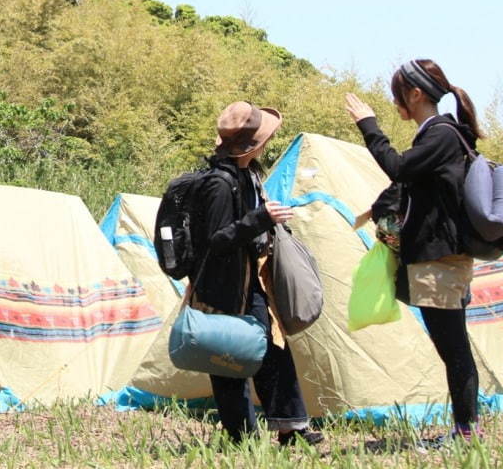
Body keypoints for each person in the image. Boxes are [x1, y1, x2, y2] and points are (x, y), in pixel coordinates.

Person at [345, 59, 482, 446]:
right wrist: (379, 207)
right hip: (436, 257)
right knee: (453, 346)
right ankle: (466, 428)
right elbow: (417, 185)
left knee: (453, 348)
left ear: (416, 94)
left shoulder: (440, 134)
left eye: (397, 96)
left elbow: (400, 169)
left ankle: (467, 432)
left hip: (440, 259)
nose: (395, 104)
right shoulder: (440, 136)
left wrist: (368, 125)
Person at [193, 102, 323, 447]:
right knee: (231, 356)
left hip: (252, 278)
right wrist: (262, 219)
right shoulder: (219, 183)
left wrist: (267, 220)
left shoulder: (247, 174)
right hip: (225, 286)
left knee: (272, 347)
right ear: (253, 145)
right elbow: (218, 240)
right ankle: (242, 437)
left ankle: (290, 426)